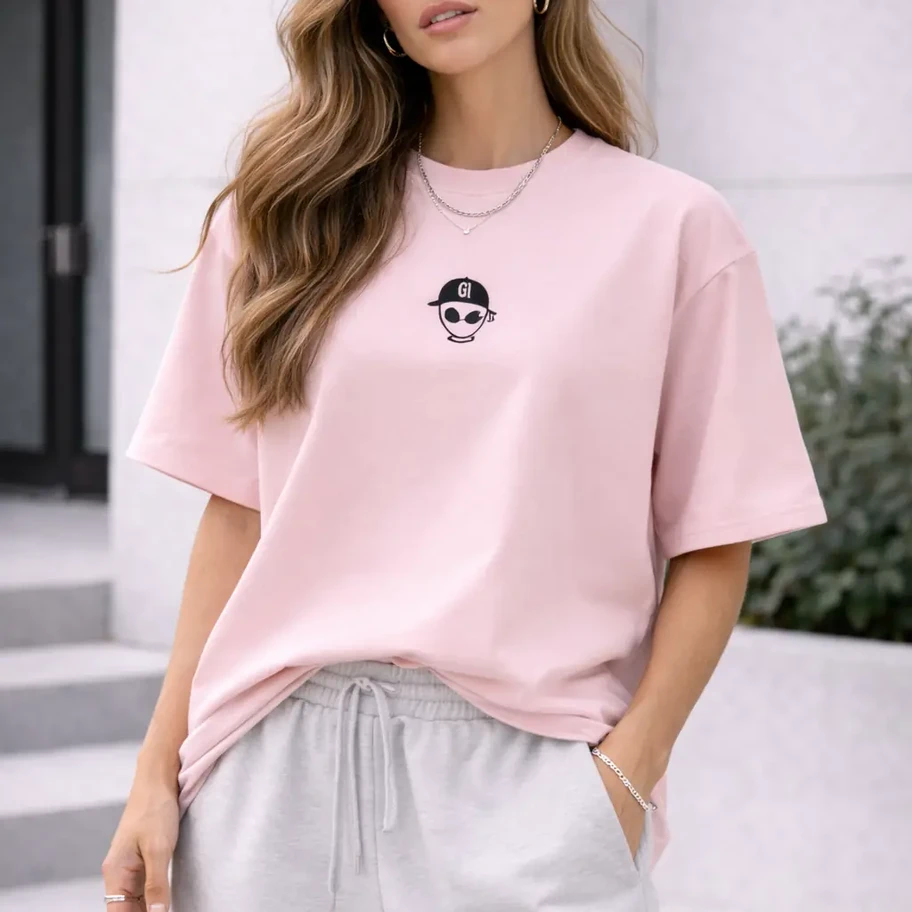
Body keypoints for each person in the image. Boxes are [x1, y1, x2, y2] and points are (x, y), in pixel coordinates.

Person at [102, 1, 828, 910]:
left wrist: (625, 781)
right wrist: (155, 776)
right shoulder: (284, 214)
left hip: (529, 784)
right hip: (271, 769)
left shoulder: (675, 228)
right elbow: (241, 512)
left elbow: (718, 539)